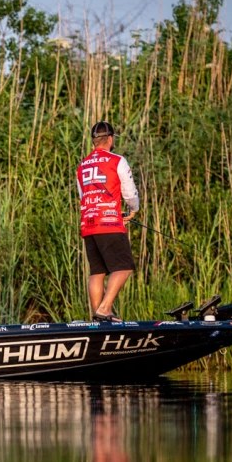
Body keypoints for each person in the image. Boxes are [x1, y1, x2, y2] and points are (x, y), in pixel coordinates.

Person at [76, 121, 140, 322]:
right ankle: (104, 309)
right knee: (124, 266)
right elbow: (129, 192)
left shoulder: (82, 165)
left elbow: (83, 195)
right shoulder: (117, 160)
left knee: (98, 271)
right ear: (110, 139)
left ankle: (98, 318)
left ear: (94, 141)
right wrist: (133, 209)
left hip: (88, 223)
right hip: (109, 222)